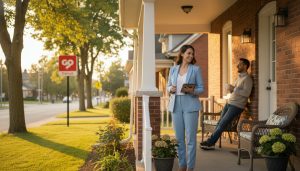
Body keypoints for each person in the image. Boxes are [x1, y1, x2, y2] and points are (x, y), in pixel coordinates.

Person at [200, 58, 253, 150]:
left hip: (237, 106)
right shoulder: (239, 77)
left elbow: (246, 93)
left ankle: (210, 143)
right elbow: (236, 91)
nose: (237, 66)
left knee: (222, 124)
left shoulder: (247, 79)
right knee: (220, 122)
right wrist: (231, 90)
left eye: (239, 64)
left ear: (245, 66)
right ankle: (211, 142)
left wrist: (233, 89)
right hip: (229, 103)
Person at [167, 45, 204, 171]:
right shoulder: (173, 69)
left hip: (191, 104)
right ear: (182, 54)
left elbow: (201, 88)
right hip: (175, 104)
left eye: (192, 54)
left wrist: (190, 90)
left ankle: (190, 167)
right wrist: (170, 89)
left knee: (190, 139)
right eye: (188, 53)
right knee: (178, 139)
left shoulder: (195, 69)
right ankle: (182, 165)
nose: (190, 56)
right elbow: (168, 86)